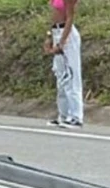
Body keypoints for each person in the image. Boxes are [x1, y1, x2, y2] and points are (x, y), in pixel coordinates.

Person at [44, 0, 83, 129]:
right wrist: (50, 36)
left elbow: (70, 18)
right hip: (56, 31)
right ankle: (64, 115)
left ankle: (76, 116)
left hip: (66, 34)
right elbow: (53, 15)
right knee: (61, 77)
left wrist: (62, 42)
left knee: (71, 76)